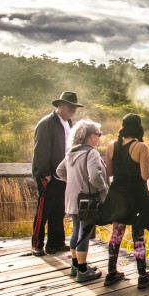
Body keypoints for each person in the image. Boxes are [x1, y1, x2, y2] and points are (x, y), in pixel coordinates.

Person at [103, 113, 149, 288]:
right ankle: (143, 276)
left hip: (118, 195)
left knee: (116, 234)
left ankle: (111, 273)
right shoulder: (141, 147)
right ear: (138, 128)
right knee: (138, 236)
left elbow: (110, 173)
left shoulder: (111, 145)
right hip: (136, 196)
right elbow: (145, 175)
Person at [31, 91, 83, 256]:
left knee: (58, 210)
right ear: (60, 105)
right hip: (48, 175)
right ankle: (37, 244)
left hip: (63, 174)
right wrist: (44, 173)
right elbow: (40, 150)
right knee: (43, 210)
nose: (73, 110)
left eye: (74, 107)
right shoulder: (47, 123)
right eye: (70, 106)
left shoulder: (68, 123)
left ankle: (55, 243)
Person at [55, 119, 107, 283]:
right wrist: (103, 188)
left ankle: (75, 265)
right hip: (86, 200)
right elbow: (95, 176)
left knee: (76, 229)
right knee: (84, 232)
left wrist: (74, 182)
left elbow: (59, 171)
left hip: (71, 198)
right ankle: (83, 270)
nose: (99, 138)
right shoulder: (91, 153)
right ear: (91, 136)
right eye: (99, 135)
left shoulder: (72, 152)